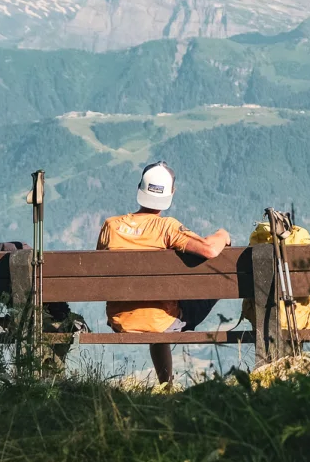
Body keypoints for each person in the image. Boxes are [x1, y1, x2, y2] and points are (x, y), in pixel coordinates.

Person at [96, 161, 232, 383]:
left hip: (121, 319)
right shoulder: (166, 227)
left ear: (140, 187)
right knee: (220, 277)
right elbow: (209, 249)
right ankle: (166, 385)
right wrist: (223, 234)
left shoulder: (110, 226)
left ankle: (165, 385)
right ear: (171, 193)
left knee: (158, 302)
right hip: (162, 321)